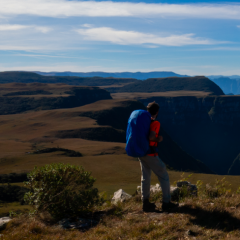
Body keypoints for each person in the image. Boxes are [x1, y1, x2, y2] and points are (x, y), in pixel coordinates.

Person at [139, 101, 178, 212]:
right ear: (157, 112)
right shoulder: (155, 123)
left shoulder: (143, 121)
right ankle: (166, 202)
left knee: (145, 177)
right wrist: (158, 139)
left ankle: (145, 203)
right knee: (163, 175)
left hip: (141, 152)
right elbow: (151, 137)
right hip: (150, 153)